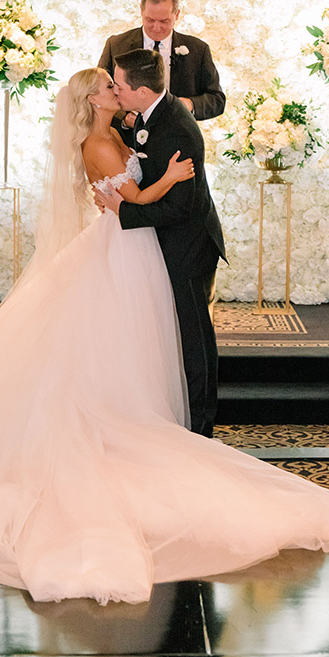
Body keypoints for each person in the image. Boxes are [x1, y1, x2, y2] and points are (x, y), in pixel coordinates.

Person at [0, 67, 329, 607]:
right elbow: (134, 202)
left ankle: (130, 409)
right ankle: (120, 416)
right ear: (95, 99)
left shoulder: (114, 133)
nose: (116, 90)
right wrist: (174, 180)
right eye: (109, 87)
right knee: (114, 337)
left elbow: (128, 190)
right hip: (124, 247)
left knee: (125, 338)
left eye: (118, 83)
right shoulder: (98, 144)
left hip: (131, 249)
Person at [95, 50, 224, 438]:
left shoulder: (177, 129)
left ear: (142, 89)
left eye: (119, 86)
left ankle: (201, 428)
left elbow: (179, 209)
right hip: (163, 243)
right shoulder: (150, 116)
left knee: (194, 337)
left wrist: (122, 211)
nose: (116, 91)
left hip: (188, 244)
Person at [97, 0, 225, 131]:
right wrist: (124, 118)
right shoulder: (116, 45)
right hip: (127, 140)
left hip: (179, 138)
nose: (156, 28)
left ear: (176, 14)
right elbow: (99, 94)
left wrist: (189, 104)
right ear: (141, 10)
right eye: (150, 20)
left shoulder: (198, 49)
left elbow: (217, 100)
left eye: (164, 21)